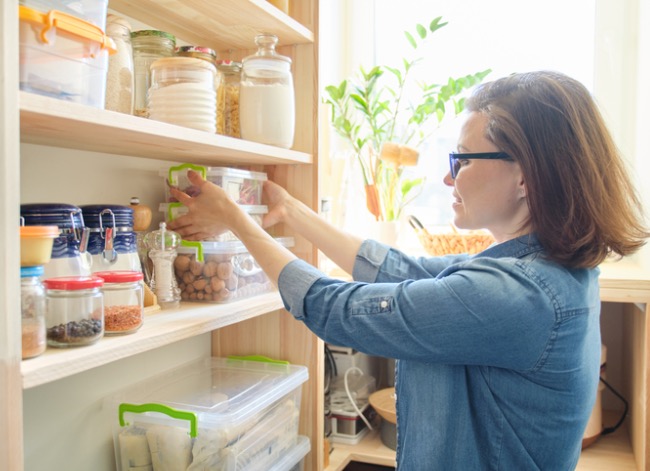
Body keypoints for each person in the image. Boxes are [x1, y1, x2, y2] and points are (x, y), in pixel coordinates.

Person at [167, 70, 648, 470]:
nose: (446, 176)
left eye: (460, 160)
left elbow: (337, 309)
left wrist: (235, 221)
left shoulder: (518, 294)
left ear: (525, 175)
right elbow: (403, 269)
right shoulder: (536, 270)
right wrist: (293, 213)